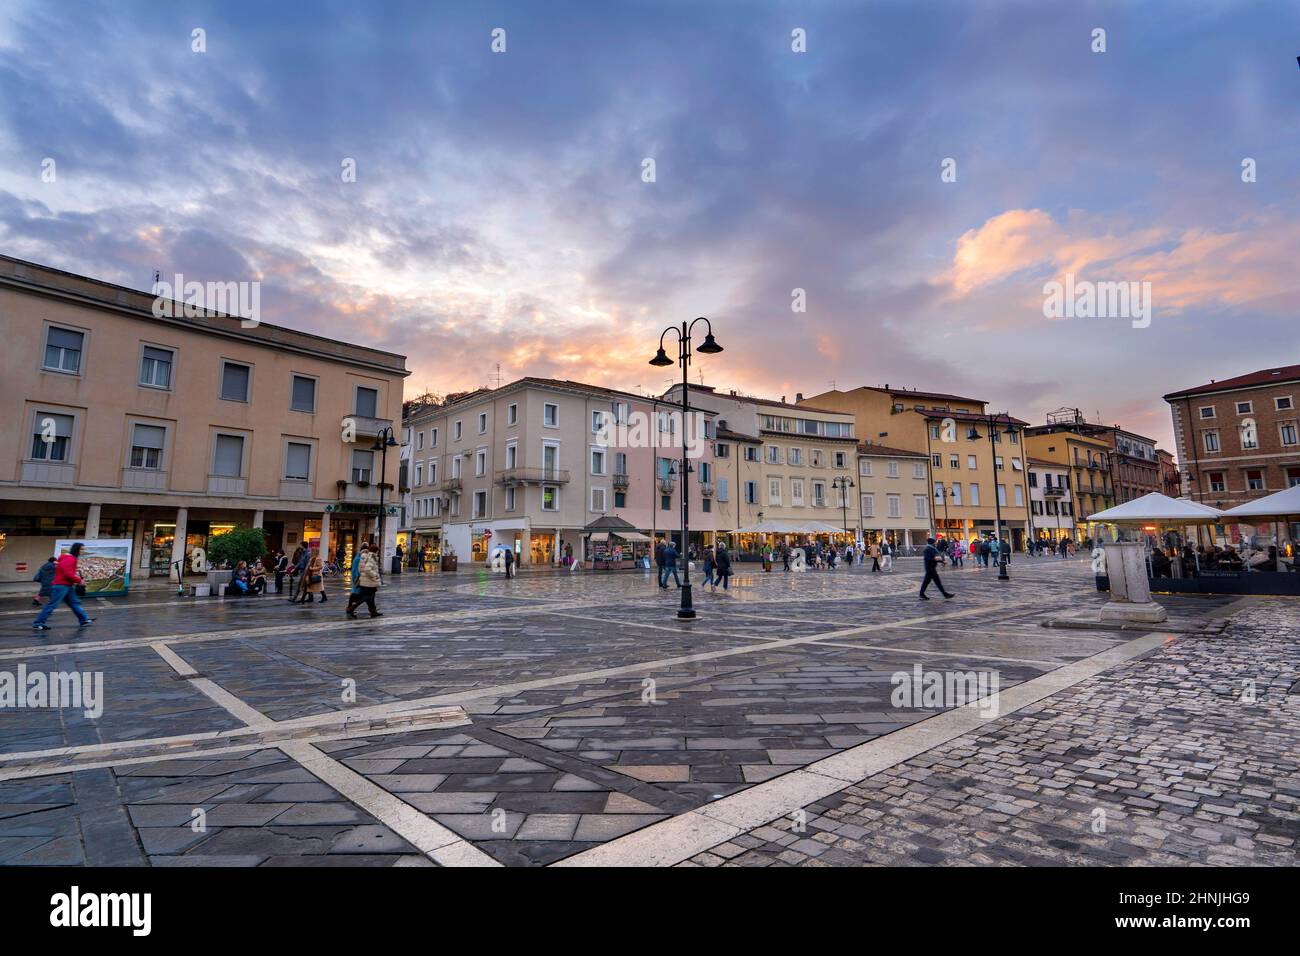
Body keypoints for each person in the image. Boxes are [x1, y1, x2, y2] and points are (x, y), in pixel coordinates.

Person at [32, 543, 94, 629]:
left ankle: (84, 619)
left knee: (74, 603)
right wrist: (79, 580)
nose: (83, 551)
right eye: (81, 549)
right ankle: (38, 623)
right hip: (61, 586)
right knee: (52, 605)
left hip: (66, 585)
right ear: (76, 549)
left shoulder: (68, 558)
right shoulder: (70, 559)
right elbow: (67, 573)